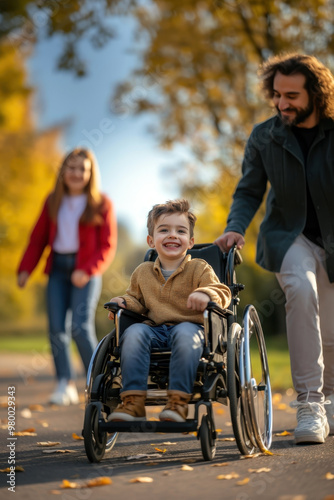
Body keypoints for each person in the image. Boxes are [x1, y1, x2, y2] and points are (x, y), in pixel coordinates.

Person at [215, 53, 334, 444]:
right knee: (301, 292)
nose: (283, 103)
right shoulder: (265, 136)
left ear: (316, 94)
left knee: (330, 331)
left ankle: (329, 400)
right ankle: (309, 406)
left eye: (293, 96)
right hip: (288, 236)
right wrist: (234, 228)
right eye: (278, 94)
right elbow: (248, 190)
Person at [107, 199, 231, 422]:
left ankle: (178, 402)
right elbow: (136, 300)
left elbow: (222, 292)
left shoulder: (199, 268)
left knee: (185, 333)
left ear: (190, 241)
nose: (173, 235)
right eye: (164, 230)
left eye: (180, 231)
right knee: (133, 333)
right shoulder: (143, 271)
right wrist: (123, 303)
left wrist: (205, 294)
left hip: (192, 330)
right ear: (151, 240)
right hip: (155, 331)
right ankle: (133, 402)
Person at [17, 148, 117, 405]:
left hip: (86, 269)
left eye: (82, 169)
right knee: (56, 328)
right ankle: (64, 383)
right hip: (58, 270)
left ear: (90, 173)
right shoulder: (53, 201)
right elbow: (37, 238)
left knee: (80, 328)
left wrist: (88, 269)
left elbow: (107, 245)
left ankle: (96, 381)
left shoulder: (101, 204)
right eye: (71, 168)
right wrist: (25, 269)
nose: (76, 173)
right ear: (62, 171)